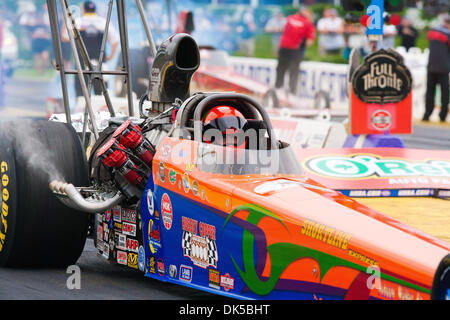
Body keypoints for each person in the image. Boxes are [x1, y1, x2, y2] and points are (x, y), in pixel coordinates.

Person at [62, 1, 119, 97]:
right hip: (100, 63)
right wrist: (110, 57)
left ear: (84, 10)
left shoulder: (78, 22)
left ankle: (82, 109)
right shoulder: (103, 22)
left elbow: (65, 37)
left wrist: (66, 21)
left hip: (82, 64)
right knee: (102, 94)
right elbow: (115, 41)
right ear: (95, 10)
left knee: (81, 95)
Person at [275, 7, 315, 94]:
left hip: (285, 47)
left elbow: (282, 29)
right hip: (295, 49)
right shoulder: (307, 23)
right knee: (293, 70)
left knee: (281, 68)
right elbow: (310, 41)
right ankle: (291, 91)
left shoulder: (290, 18)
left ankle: (279, 88)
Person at [422, 15, 450, 122]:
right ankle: (442, 116)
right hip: (443, 67)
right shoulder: (448, 34)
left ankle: (427, 115)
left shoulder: (433, 31)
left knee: (430, 92)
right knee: (444, 93)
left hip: (431, 66)